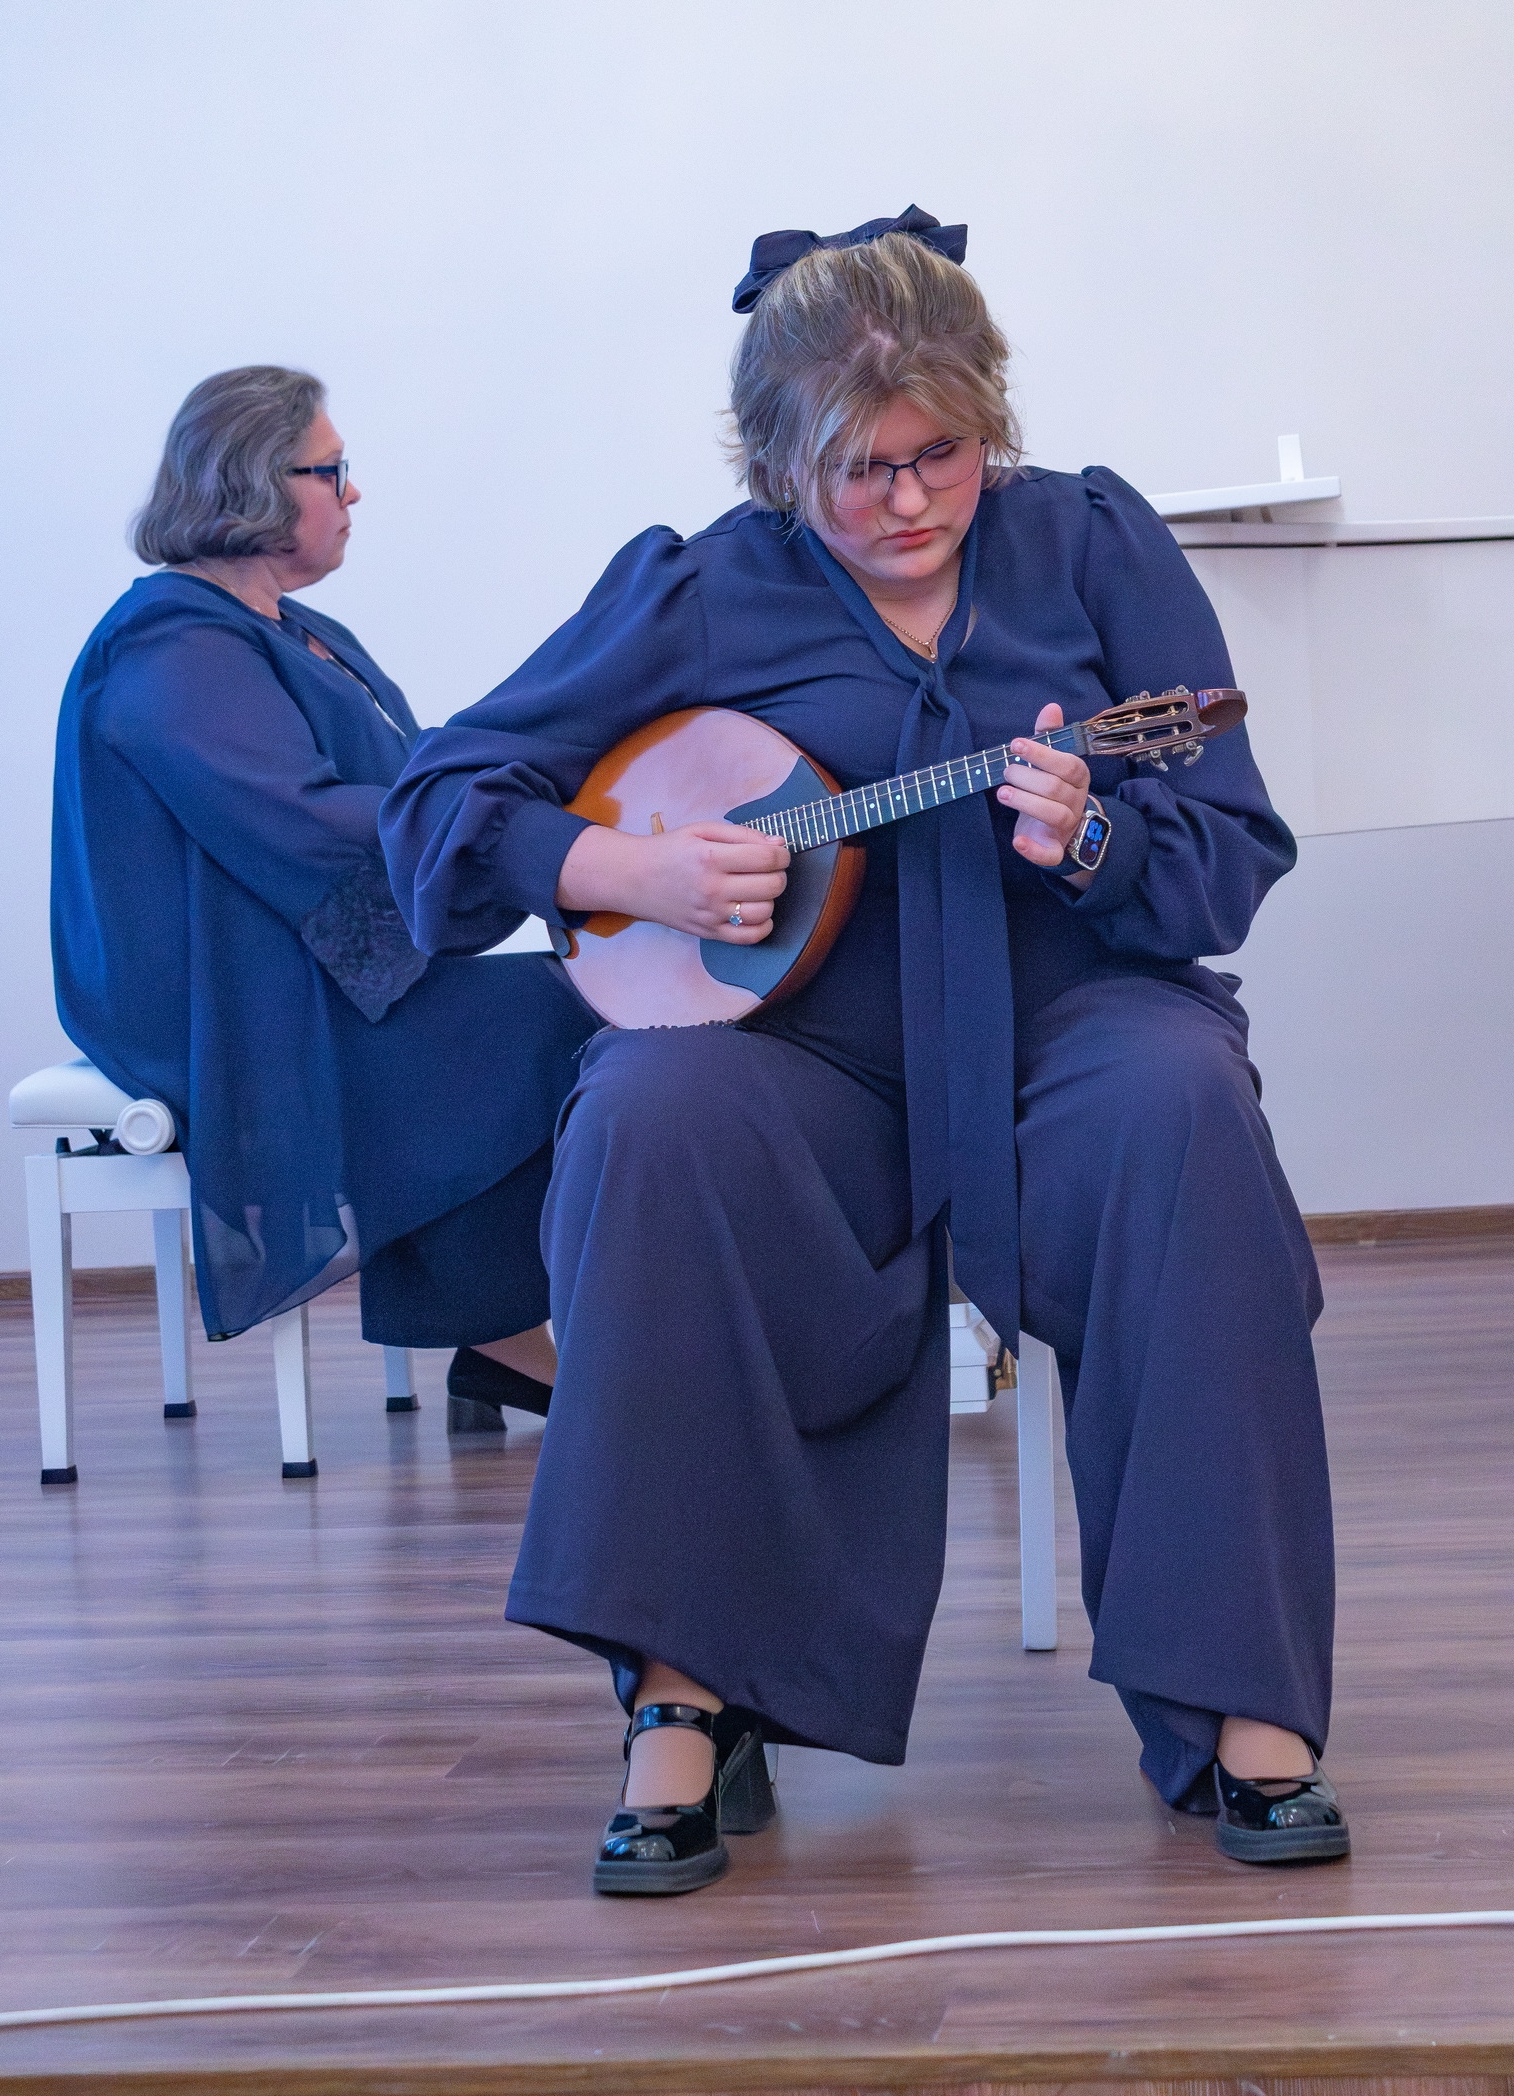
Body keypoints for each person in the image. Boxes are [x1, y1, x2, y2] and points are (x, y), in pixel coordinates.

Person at [381, 208, 1348, 1892]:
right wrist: (623, 871)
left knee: (1182, 1106)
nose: (908, 502)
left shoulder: (1090, 545)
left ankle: (1238, 1698)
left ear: (989, 423)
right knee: (652, 1115)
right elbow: (443, 799)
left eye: (940, 455)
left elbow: (1226, 847)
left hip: (1068, 1022)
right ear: (779, 462)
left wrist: (1093, 839)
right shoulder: (699, 584)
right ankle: (685, 1697)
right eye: (859, 471)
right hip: (803, 1053)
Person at [53, 366, 598, 1419]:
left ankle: (501, 1332)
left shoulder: (297, 631)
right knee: (557, 1013)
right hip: (215, 1002)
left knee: (566, 1004)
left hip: (295, 964)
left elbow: (411, 780)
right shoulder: (172, 641)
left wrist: (536, 795)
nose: (353, 493)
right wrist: (515, 841)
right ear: (255, 481)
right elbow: (296, 817)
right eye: (331, 470)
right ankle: (504, 1336)